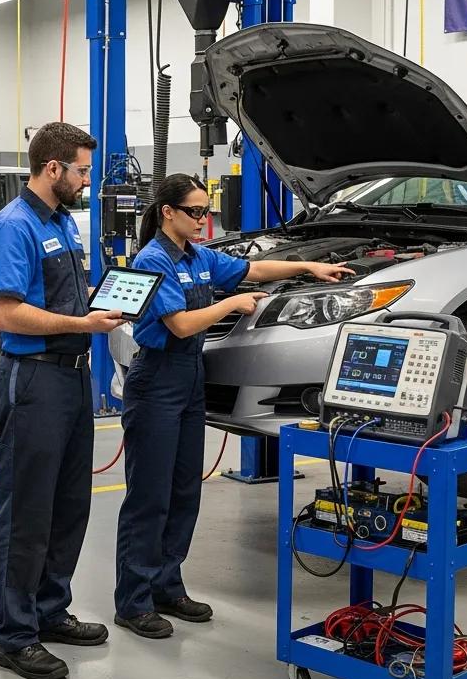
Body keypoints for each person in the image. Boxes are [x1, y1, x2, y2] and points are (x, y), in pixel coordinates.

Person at [114, 174, 354, 638]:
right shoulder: (152, 260)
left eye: (207, 211)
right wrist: (233, 305)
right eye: (195, 212)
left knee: (185, 490)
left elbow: (253, 270)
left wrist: (308, 268)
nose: (204, 220)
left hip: (189, 379)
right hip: (158, 379)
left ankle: (168, 585)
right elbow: (181, 325)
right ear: (168, 212)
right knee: (149, 496)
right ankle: (133, 600)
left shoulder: (197, 256)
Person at [0, 122, 126, 679]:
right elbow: (6, 313)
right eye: (83, 170)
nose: (87, 180)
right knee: (26, 511)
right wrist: (81, 322)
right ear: (53, 169)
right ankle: (15, 636)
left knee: (69, 504)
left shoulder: (64, 221)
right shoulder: (13, 227)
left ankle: (49, 610)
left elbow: (65, 298)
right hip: (32, 378)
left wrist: (103, 308)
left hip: (71, 378)